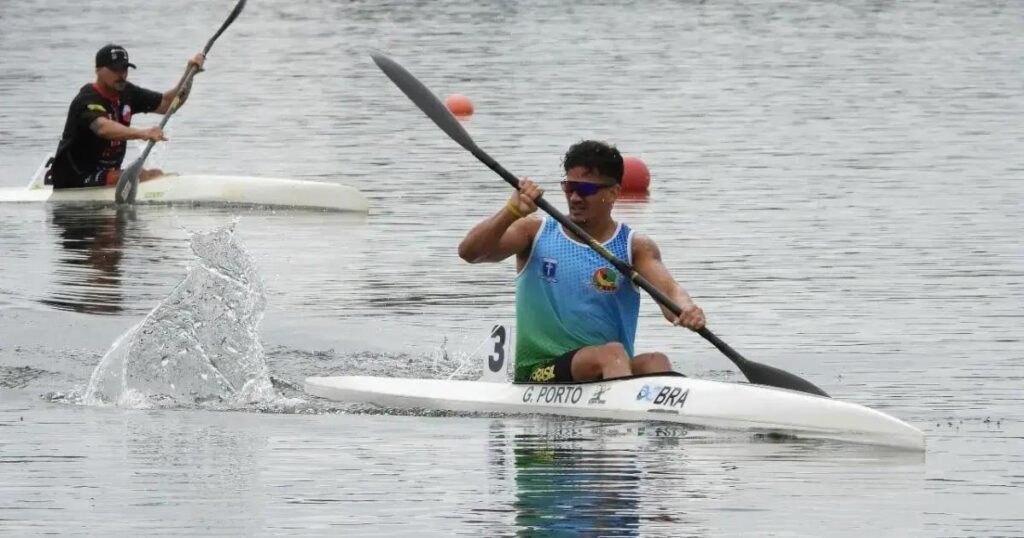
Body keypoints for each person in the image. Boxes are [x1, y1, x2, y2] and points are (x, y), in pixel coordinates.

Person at [458, 140, 706, 383]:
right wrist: (510, 212)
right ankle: (621, 401)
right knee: (612, 353)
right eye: (569, 187)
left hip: (608, 367)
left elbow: (670, 292)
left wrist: (686, 309)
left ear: (613, 193)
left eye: (586, 189)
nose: (575, 197)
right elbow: (469, 252)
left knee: (655, 361)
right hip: (540, 371)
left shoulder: (634, 246)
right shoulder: (533, 233)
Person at [46, 44, 205, 189]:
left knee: (155, 174)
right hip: (74, 177)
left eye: (124, 69)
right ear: (98, 70)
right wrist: (143, 133)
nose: (121, 74)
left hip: (105, 174)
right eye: (115, 69)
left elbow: (168, 103)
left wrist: (189, 74)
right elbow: (103, 128)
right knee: (142, 175)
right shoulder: (87, 99)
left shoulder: (127, 93)